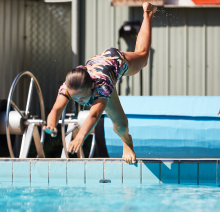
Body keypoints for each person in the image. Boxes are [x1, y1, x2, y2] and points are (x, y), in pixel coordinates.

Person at [43, 2, 157, 163]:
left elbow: (95, 114)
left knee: (143, 57)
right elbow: (56, 108)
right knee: (120, 124)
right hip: (99, 67)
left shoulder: (101, 87)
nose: (80, 102)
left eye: (82, 98)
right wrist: (52, 123)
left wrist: (80, 137)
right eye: (75, 99)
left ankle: (148, 13)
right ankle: (127, 140)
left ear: (91, 87)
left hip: (115, 61)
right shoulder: (69, 87)